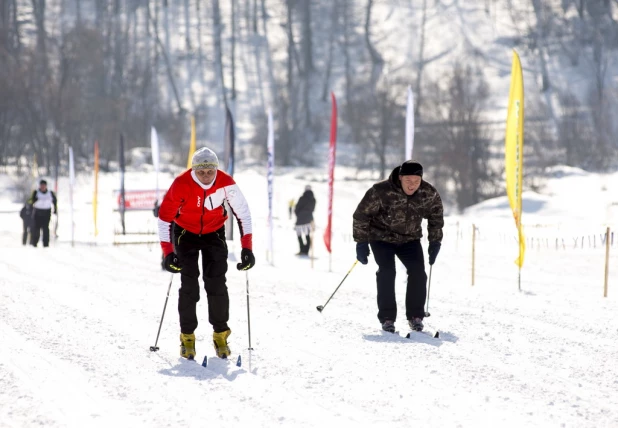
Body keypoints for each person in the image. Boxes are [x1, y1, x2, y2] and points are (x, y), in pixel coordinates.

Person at [157, 147, 255, 360]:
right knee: (190, 285)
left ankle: (220, 334)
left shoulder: (226, 182)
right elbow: (165, 218)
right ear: (194, 170)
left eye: (210, 171)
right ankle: (187, 337)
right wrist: (168, 253)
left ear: (216, 169)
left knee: (217, 284)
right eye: (201, 172)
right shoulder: (181, 184)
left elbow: (243, 213)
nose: (206, 176)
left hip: (214, 233)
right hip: (185, 233)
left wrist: (247, 248)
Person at [352, 160, 444, 333]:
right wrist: (361, 242)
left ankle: (416, 316)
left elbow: (436, 218)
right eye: (408, 180)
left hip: (410, 239)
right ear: (400, 177)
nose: (412, 185)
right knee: (387, 271)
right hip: (381, 238)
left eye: (417, 181)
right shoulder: (380, 191)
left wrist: (435, 241)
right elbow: (361, 216)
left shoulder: (427, 193)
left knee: (418, 272)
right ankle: (387, 318)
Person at [28, 179, 58, 248]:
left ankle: (46, 244)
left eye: (44, 185)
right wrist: (34, 200)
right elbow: (30, 201)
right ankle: (34, 243)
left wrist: (55, 210)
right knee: (36, 229)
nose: (42, 187)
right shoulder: (36, 192)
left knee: (46, 228)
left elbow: (55, 201)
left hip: (46, 212)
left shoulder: (50, 193)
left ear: (46, 186)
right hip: (37, 212)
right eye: (41, 185)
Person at [294, 185, 316, 256]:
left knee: (299, 235)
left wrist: (299, 214)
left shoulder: (302, 198)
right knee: (307, 235)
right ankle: (306, 251)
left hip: (300, 219)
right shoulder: (313, 199)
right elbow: (312, 209)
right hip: (309, 219)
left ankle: (302, 249)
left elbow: (297, 208)